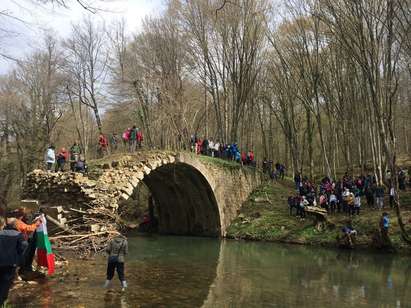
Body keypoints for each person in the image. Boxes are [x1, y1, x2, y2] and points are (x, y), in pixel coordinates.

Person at [0, 217, 27, 307]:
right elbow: (23, 246)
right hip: (10, 263)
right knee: (5, 284)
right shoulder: (18, 234)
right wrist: (19, 259)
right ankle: (2, 302)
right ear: (15, 225)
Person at [15, 209, 41, 275]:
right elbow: (28, 229)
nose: (26, 218)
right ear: (21, 216)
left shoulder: (16, 221)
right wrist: (36, 224)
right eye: (25, 216)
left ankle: (23, 268)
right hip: (20, 243)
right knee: (25, 255)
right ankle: (24, 269)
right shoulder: (18, 222)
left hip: (18, 242)